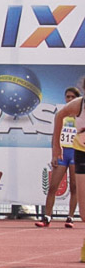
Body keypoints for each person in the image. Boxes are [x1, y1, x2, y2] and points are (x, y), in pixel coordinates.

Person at [47, 87, 85, 229]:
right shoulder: (66, 113)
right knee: (53, 186)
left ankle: (70, 217)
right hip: (68, 152)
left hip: (76, 153)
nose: (69, 99)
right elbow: (56, 129)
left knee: (75, 187)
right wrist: (55, 150)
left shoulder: (78, 112)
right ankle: (47, 216)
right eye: (67, 97)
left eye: (72, 97)